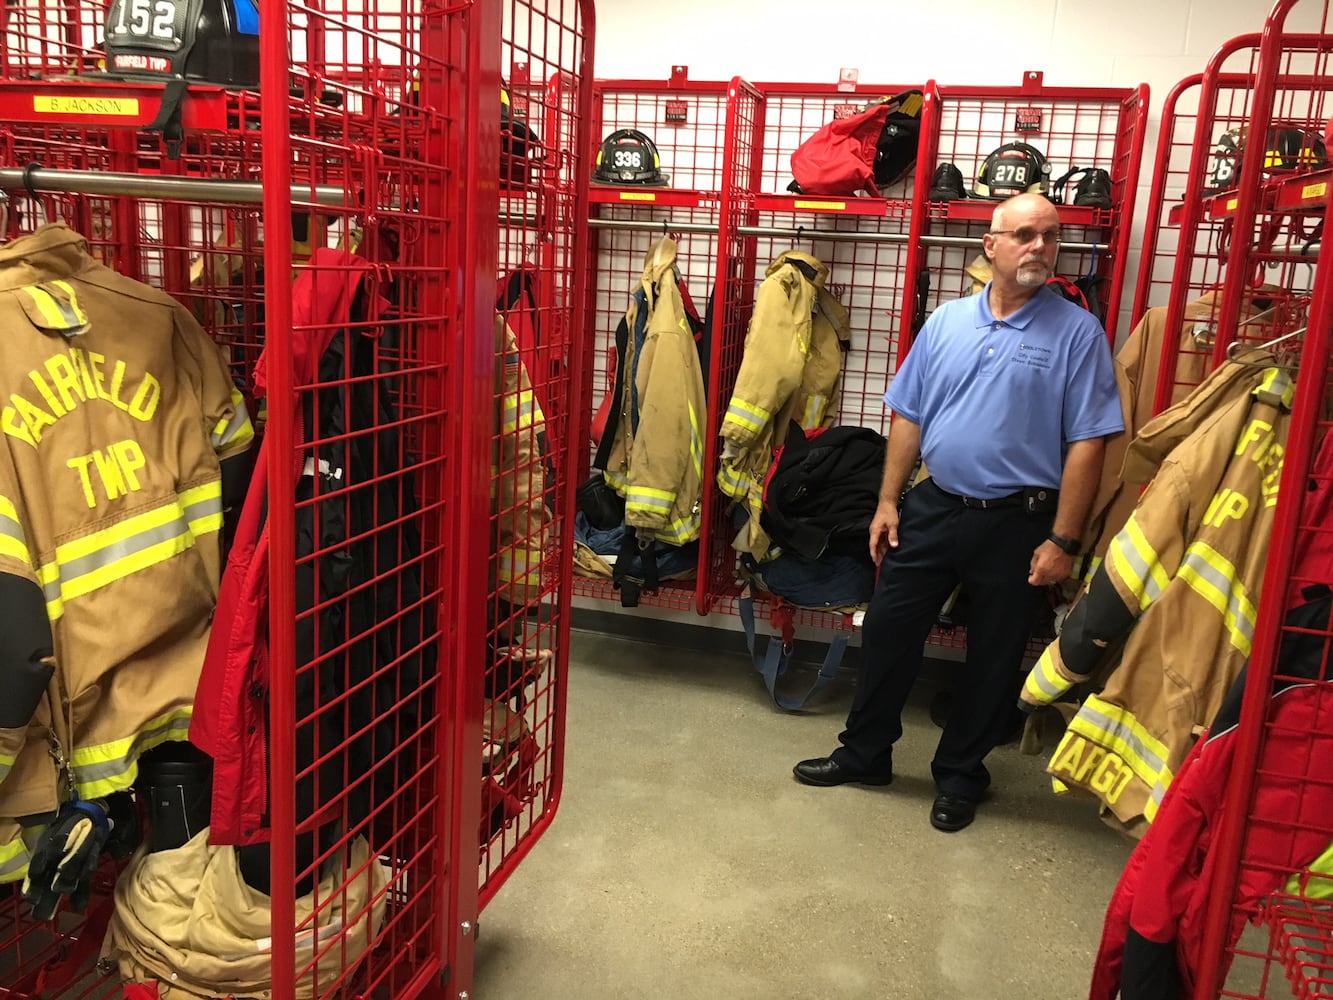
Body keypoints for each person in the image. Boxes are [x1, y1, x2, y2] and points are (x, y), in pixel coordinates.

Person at [792, 192, 1124, 832]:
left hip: (1020, 522)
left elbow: (1089, 443)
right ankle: (864, 754)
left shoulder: (1078, 334)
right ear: (990, 245)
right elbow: (909, 415)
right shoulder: (945, 323)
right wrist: (888, 500)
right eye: (1024, 235)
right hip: (935, 506)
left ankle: (961, 776)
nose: (1039, 248)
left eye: (1050, 237)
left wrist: (1064, 538)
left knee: (994, 653)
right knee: (889, 628)